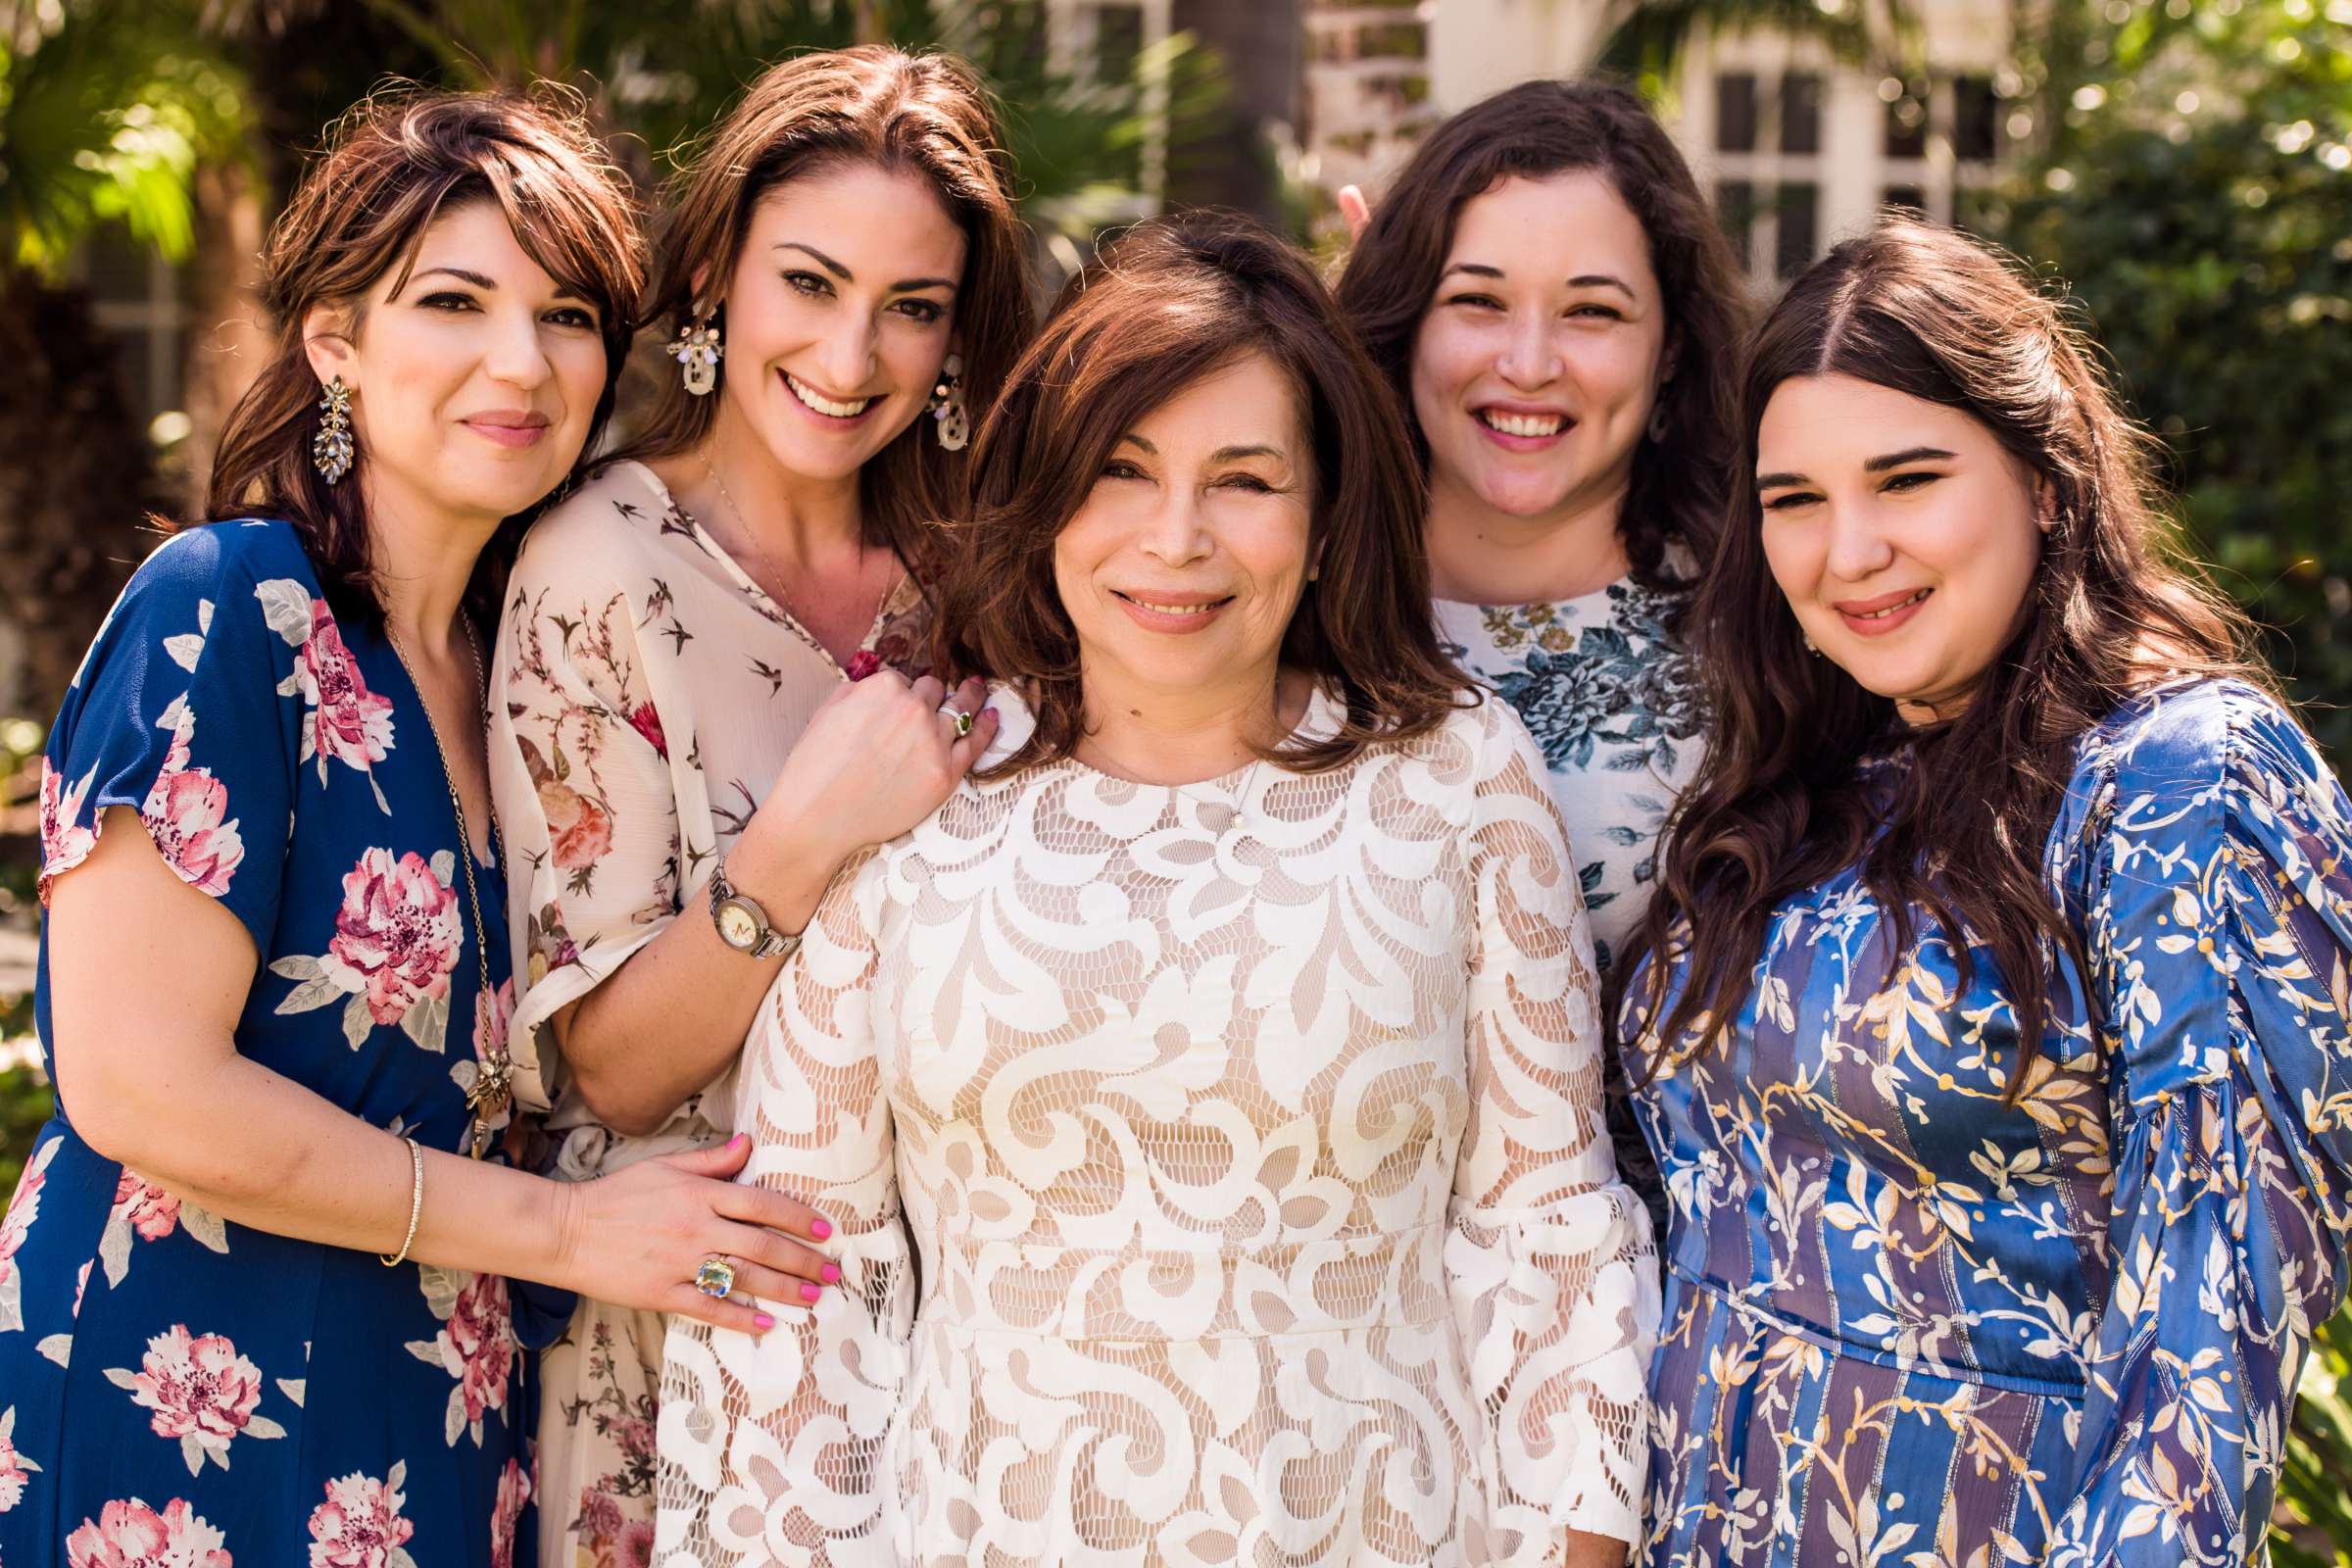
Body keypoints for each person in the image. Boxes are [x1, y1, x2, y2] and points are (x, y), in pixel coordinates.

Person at [652, 214, 1659, 1568]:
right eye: (1123, 471)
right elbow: (802, 1275)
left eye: (1244, 480)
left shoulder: (1456, 777)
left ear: (1321, 517)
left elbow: (1549, 1240)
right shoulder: (916, 782)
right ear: (1051, 493)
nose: (1175, 539)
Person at [0, 90, 838, 1567]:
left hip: (440, 1419)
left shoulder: (524, 656)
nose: (521, 362)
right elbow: (136, 1085)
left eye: (568, 314)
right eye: (453, 302)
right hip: (179, 1402)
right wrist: (569, 1234)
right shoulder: (227, 611)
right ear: (335, 339)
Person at [1618, 216, 2352, 1566]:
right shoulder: (1808, 772)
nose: (1847, 553)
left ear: (2048, 483)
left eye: (1907, 479)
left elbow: (2213, 1354)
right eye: (1795, 501)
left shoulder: (2188, 782)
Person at [486, 47, 1031, 1565]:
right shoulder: (600, 566)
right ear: (719, 268)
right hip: (701, 1343)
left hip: (963, 1347)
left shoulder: (990, 583)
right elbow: (599, 1069)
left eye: (912, 308)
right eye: (810, 282)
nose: (853, 355)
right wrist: (800, 840)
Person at [1333, 78, 1748, 1229]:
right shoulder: (1267, 607)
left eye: (1593, 312)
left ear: (1669, 355)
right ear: (1406, 314)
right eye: (1477, 300)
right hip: (1328, 1344)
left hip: (1669, 1351)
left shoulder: (1775, 642)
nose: (1527, 361)